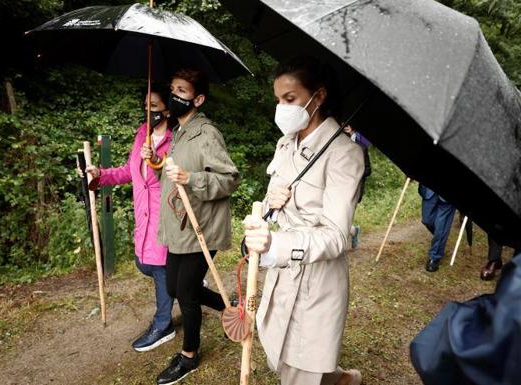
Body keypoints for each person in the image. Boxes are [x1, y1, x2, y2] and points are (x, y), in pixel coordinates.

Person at [243, 56, 364, 385]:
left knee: (302, 363)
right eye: (278, 100)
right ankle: (340, 380)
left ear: (319, 96)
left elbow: (336, 236)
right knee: (282, 357)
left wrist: (275, 243)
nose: (282, 108)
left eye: (290, 99)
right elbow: (272, 202)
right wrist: (268, 209)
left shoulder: (344, 154)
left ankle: (337, 379)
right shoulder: (285, 144)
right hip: (281, 276)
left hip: (317, 283)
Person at [141, 68, 240, 385]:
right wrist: (155, 161)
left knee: (184, 292)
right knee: (174, 286)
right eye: (172, 89)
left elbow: (229, 179)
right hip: (179, 227)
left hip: (202, 226)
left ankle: (189, 356)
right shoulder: (178, 131)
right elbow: (170, 178)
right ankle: (229, 307)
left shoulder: (206, 133)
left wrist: (193, 179)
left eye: (181, 91)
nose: (173, 96)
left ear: (198, 99)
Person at [86, 84, 174, 352]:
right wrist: (101, 175)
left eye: (154, 107)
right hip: (143, 213)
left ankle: (163, 324)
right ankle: (188, 285)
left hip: (165, 214)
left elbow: (176, 176)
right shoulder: (141, 134)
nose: (148, 111)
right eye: (145, 105)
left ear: (167, 110)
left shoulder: (177, 138)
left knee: (160, 268)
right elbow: (129, 171)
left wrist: (157, 159)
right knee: (144, 264)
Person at [344, 125, 372, 249]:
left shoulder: (362, 147)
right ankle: (353, 231)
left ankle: (352, 232)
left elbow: (368, 170)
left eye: (349, 124)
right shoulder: (339, 146)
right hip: (338, 188)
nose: (346, 126)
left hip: (355, 189)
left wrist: (355, 173)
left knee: (345, 216)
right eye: (344, 124)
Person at [418, 184, 456, 272]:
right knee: (426, 220)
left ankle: (434, 257)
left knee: (441, 227)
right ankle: (441, 237)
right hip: (429, 189)